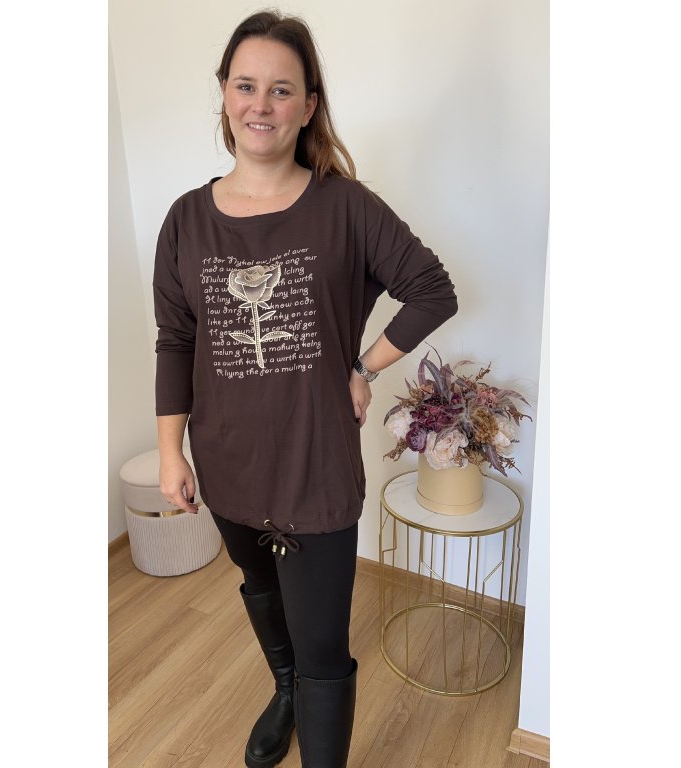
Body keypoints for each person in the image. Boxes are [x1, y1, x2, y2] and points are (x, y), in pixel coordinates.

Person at [152, 10, 458, 767]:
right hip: (226, 459)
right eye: (246, 85)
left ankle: (308, 697)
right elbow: (177, 340)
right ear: (225, 94)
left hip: (315, 465)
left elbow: (432, 290)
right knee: (259, 588)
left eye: (281, 89)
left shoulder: (344, 207)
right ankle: (283, 688)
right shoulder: (185, 220)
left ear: (308, 105)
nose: (261, 104)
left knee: (324, 644)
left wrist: (364, 367)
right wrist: (170, 452)